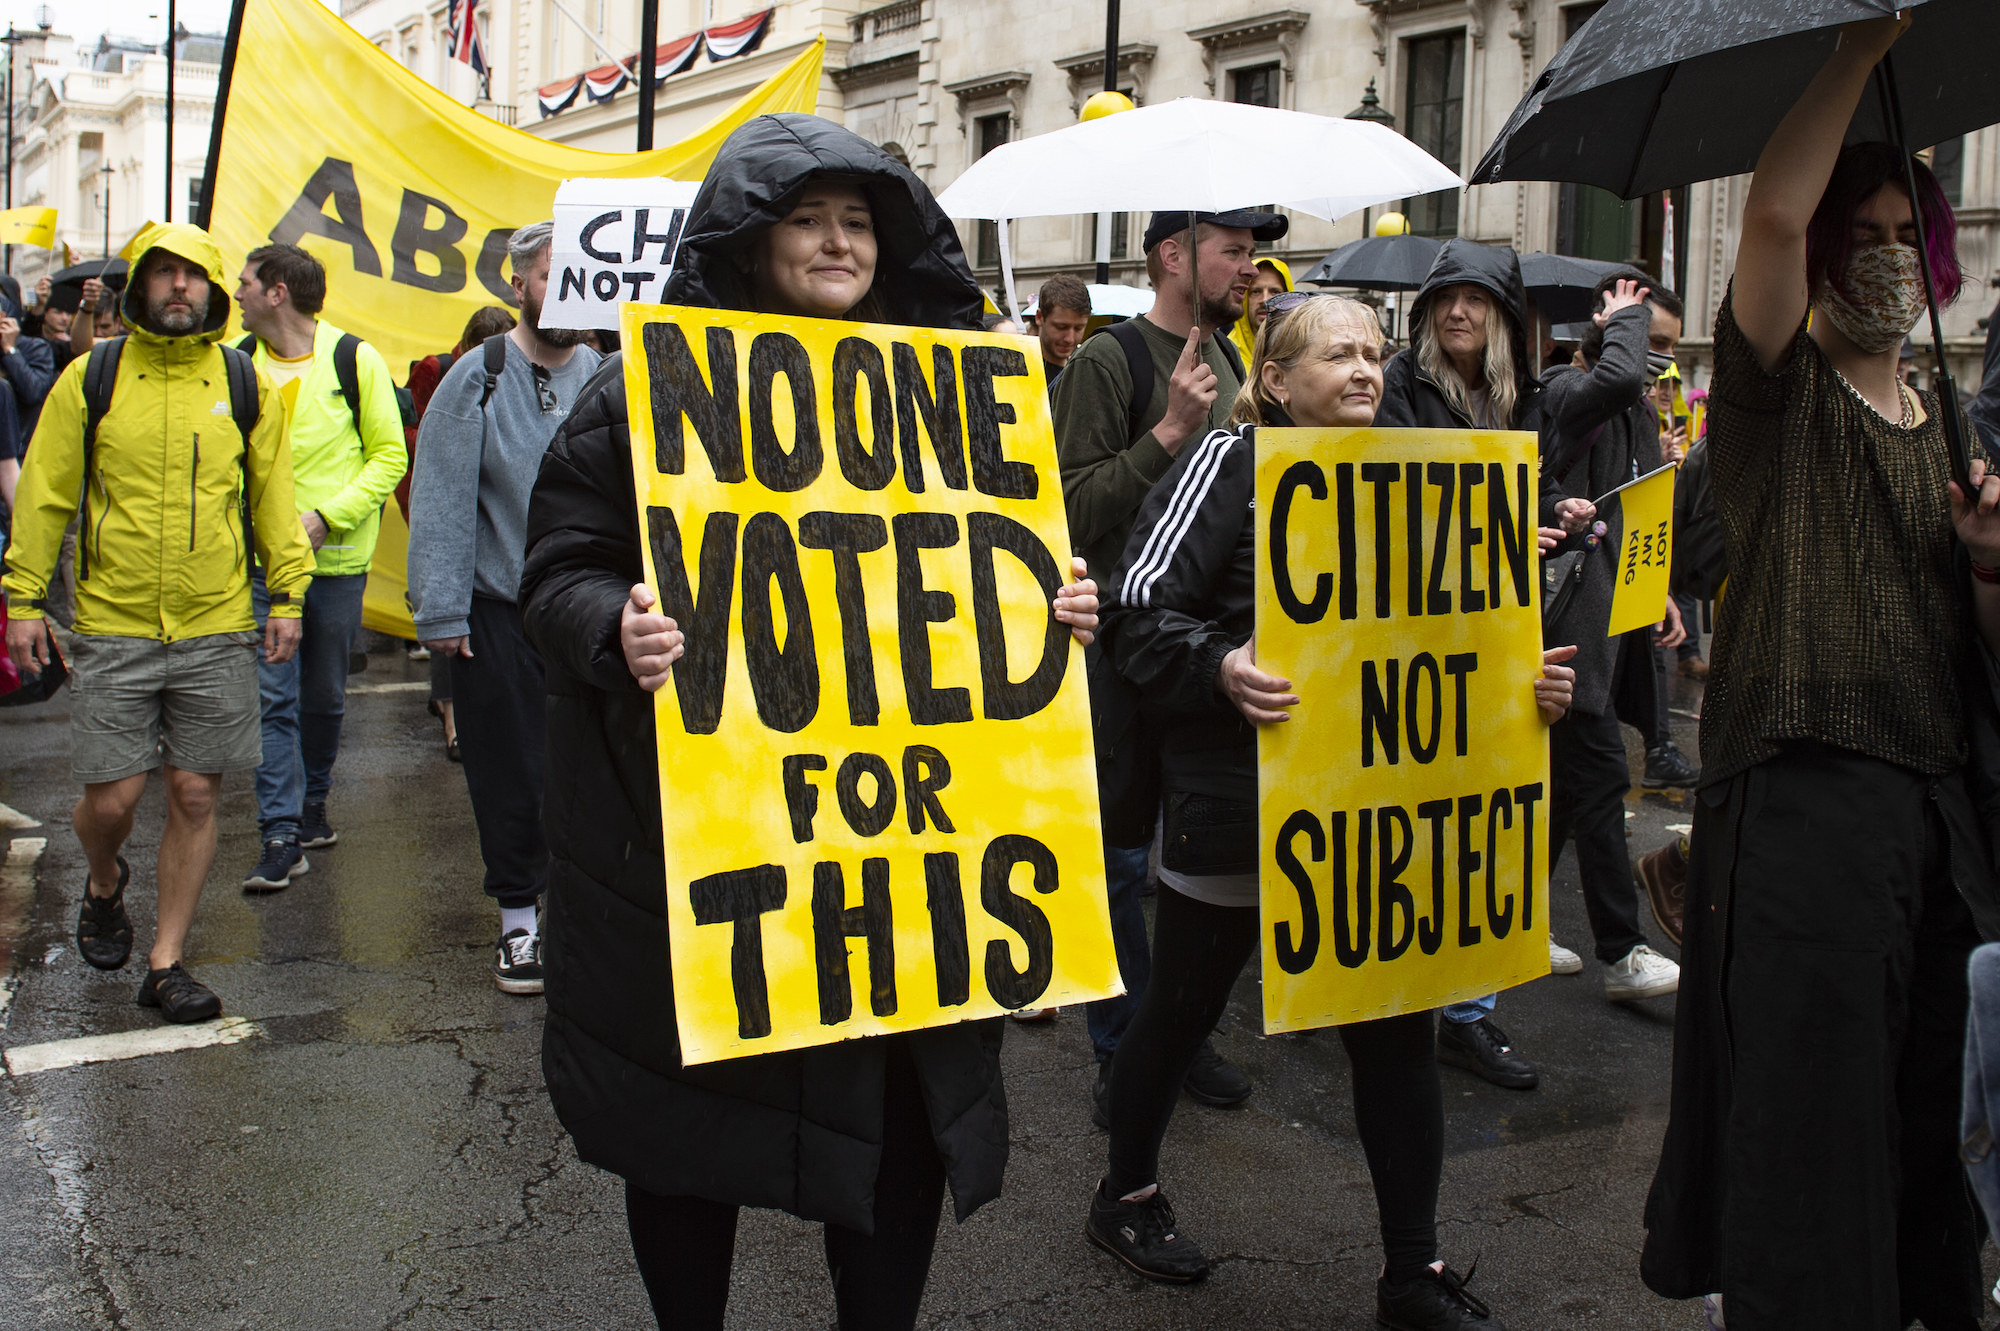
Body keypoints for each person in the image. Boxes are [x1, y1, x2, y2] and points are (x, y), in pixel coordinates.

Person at [518, 112, 1098, 1331]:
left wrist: (1052, 605)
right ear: (747, 235)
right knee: (689, 1134)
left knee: (893, 1132)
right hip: (701, 837)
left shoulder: (957, 398)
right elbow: (557, 571)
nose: (839, 243)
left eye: (859, 223)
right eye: (807, 219)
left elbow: (990, 573)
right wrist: (607, 626)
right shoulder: (642, 391)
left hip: (893, 848)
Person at [1084, 290, 1575, 1330]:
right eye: (1335, 355)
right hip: (1238, 803)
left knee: (1394, 1027)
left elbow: (1458, 636)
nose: (1362, 369)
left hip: (1370, 808)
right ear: (1273, 380)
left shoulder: (1418, 474)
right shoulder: (1227, 466)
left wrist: (1523, 689)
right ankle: (1123, 1190)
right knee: (1177, 1010)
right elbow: (1134, 607)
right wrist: (1218, 665)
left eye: (1371, 351)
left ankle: (1413, 1270)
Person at [1642, 16, 2000, 1328]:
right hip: (1802, 805)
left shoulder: (1950, 427)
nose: (1889, 255)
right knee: (1812, 1129)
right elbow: (1776, 223)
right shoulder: (1773, 400)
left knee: (1923, 1122)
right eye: (1868, 231)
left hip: (1936, 817)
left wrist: (1988, 563)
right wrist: (1859, 51)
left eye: (1912, 233)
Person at [1, 222, 314, 1022]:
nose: (180, 286)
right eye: (165, 274)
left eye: (195, 275)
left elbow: (272, 499)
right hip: (114, 624)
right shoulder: (92, 379)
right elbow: (44, 493)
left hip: (214, 624)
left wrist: (287, 594)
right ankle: (105, 881)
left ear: (212, 290)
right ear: (142, 287)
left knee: (196, 792)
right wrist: (24, 598)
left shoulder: (243, 385)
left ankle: (167, 958)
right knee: (111, 801)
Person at [1054, 207, 1283, 1121]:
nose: (1246, 268)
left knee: (1186, 860)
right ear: (1173, 256)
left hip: (1191, 655)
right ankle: (1123, 1041)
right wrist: (1169, 434)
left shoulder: (1231, 360)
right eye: (1231, 250)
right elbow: (1066, 509)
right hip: (1116, 649)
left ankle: (1177, 1034)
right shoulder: (1110, 361)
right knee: (1116, 855)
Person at [1374, 239, 1576, 1089]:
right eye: (1445, 298)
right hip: (1405, 642)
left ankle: (1469, 1014)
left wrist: (1552, 504)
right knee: (1399, 817)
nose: (1459, 311)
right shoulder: (1390, 390)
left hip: (1494, 638)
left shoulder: (1521, 403)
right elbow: (1378, 507)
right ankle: (1381, 988)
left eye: (1478, 299)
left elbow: (1523, 497)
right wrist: (1491, 531)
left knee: (1487, 820)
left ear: (1502, 316)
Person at [407, 222, 601, 995]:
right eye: (552, 275)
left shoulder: (610, 372)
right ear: (517, 283)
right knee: (511, 771)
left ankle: (585, 922)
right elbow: (443, 497)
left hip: (593, 611)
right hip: (502, 612)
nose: (566, 290)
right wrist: (443, 613)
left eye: (578, 275)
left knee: (589, 772)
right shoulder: (475, 377)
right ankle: (519, 924)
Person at [231, 244, 406, 890]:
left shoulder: (352, 358)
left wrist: (324, 517)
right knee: (271, 698)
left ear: (277, 291)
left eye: (245, 282)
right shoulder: (236, 364)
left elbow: (389, 456)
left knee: (323, 696)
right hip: (259, 567)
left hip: (333, 564)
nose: (236, 291)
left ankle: (313, 802)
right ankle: (280, 832)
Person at [1537, 276, 1687, 1006]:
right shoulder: (1566, 392)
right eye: (1648, 338)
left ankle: (1515, 917)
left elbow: (1640, 508)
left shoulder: (1638, 417)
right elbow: (1620, 372)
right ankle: (1623, 950)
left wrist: (1654, 587)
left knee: (1570, 786)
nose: (1658, 359)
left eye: (1668, 346)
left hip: (1607, 627)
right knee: (1599, 780)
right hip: (1562, 630)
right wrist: (1621, 320)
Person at [399, 304, 517, 764]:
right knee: (450, 623)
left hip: (491, 523)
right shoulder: (441, 372)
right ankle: (452, 722)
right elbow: (425, 448)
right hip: (448, 513)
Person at [1227, 256, 1292, 367]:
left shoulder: (1301, 353)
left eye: (1275, 292)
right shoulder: (1227, 354)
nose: (1265, 300)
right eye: (1256, 292)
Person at [1034, 271, 1091, 392]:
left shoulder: (1086, 373)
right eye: (1061, 327)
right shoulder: (1019, 371)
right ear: (1039, 317)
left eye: (1078, 328)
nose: (1069, 338)